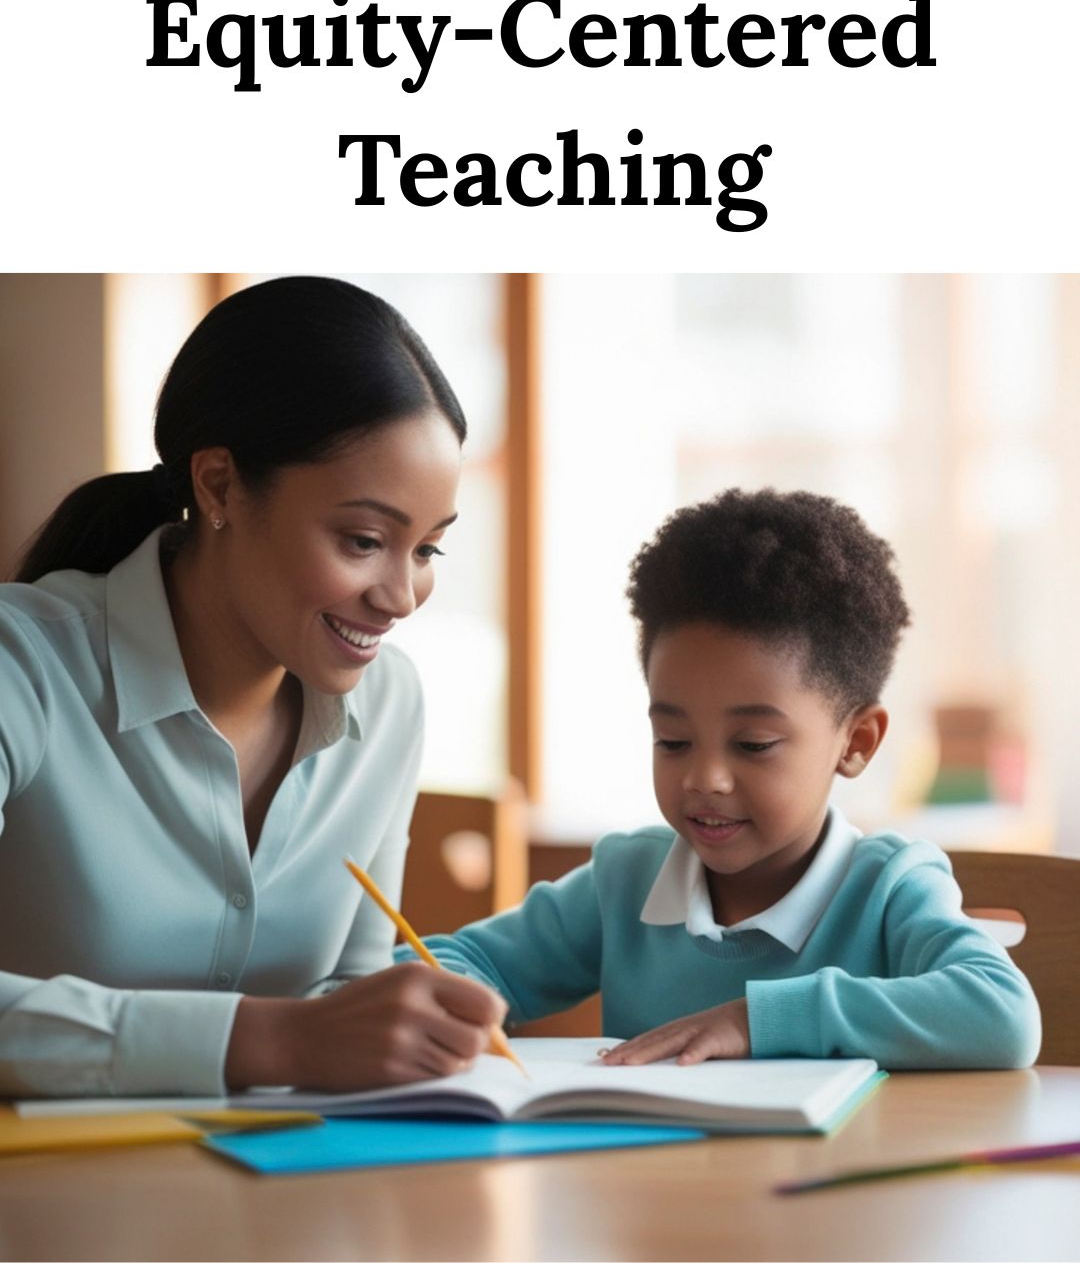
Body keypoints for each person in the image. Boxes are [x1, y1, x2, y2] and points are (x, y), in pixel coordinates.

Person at [0, 276, 506, 1098]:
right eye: (364, 539)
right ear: (220, 486)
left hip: (280, 1200)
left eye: (428, 550)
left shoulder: (388, 706)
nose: (401, 595)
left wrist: (403, 1036)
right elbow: (300, 1037)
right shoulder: (21, 665)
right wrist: (267, 1040)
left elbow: (350, 986)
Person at [399, 489, 1041, 1069]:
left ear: (856, 742)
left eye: (753, 745)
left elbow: (1001, 1016)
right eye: (672, 740)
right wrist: (440, 1003)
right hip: (663, 1191)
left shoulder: (889, 888)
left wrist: (752, 1020)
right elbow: (449, 962)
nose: (705, 778)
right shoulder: (626, 883)